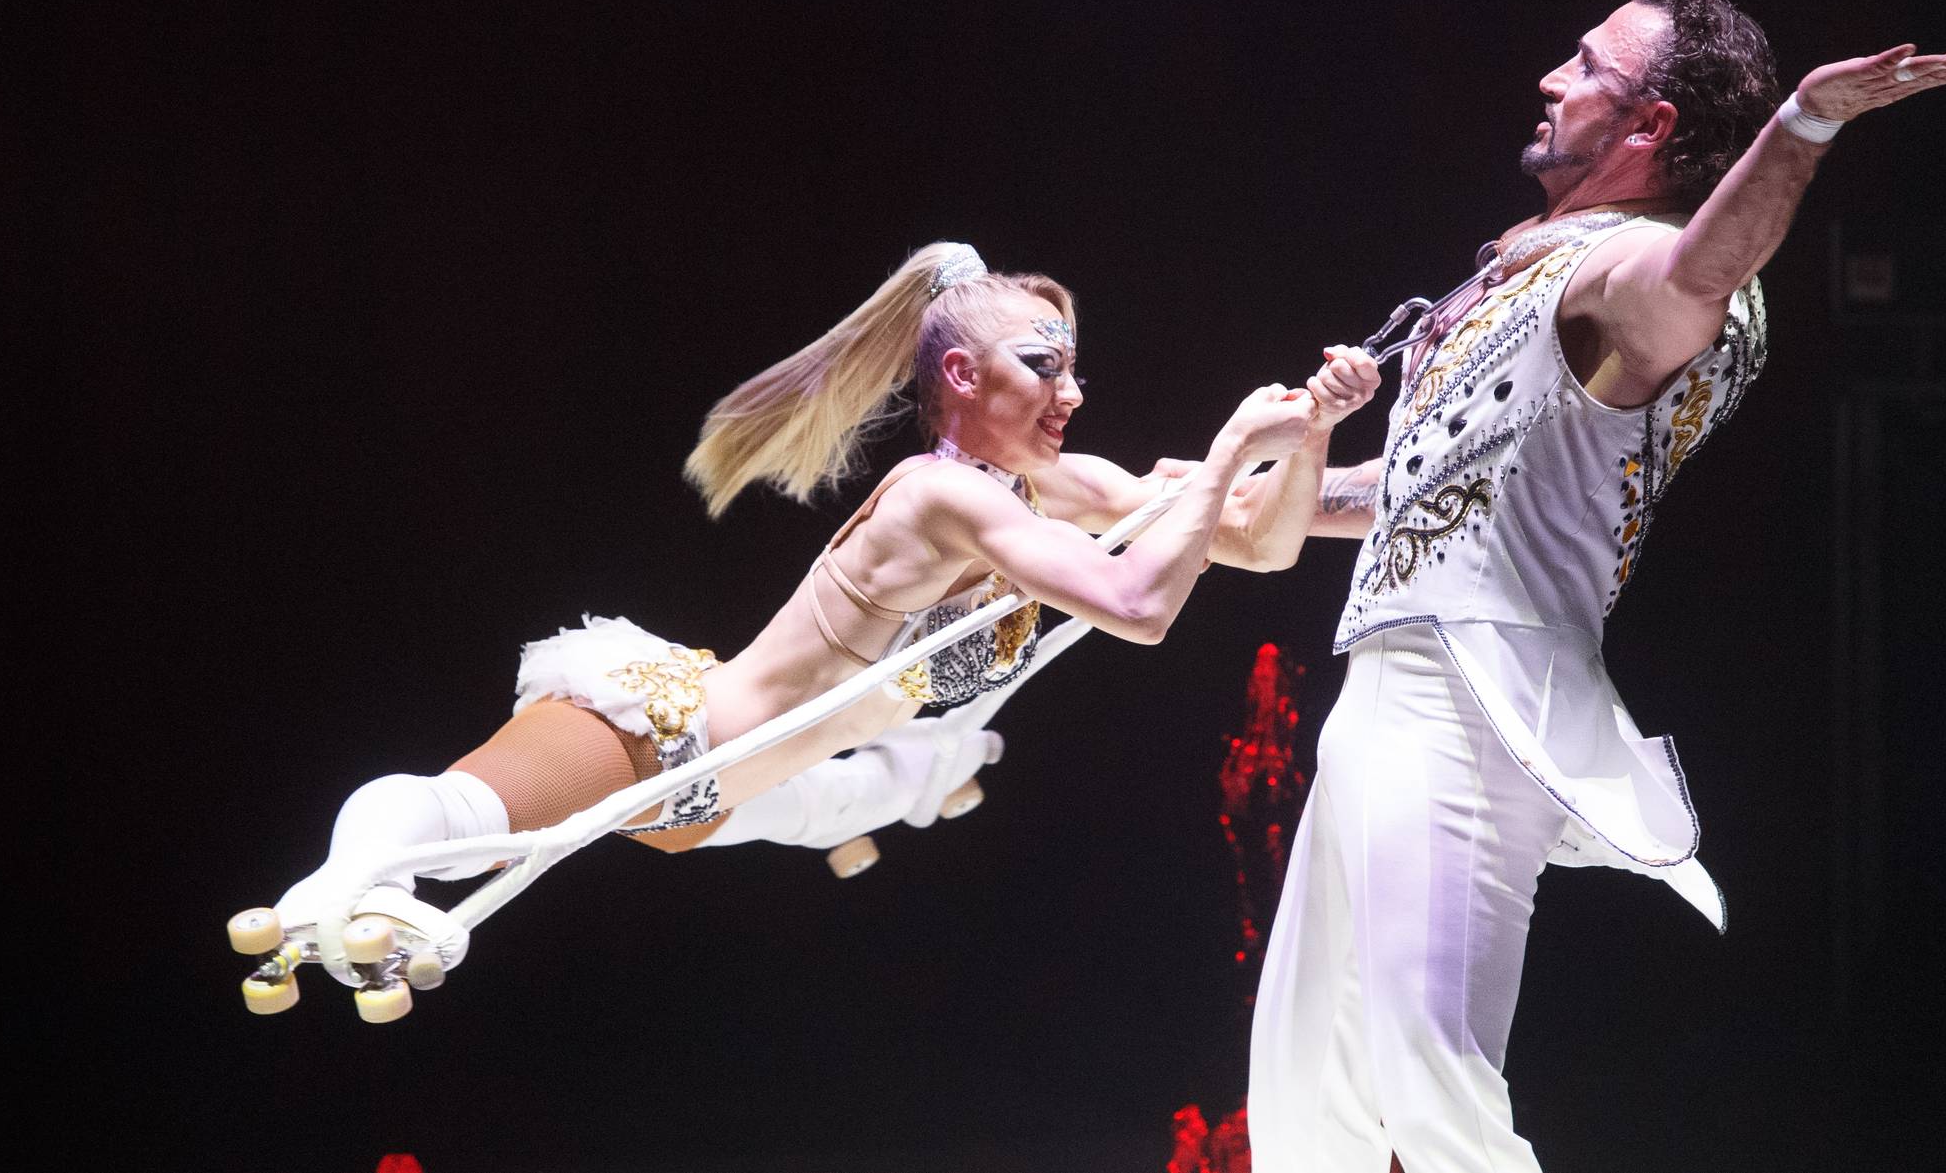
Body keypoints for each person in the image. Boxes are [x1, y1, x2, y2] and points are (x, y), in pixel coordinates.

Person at [1231, 0, 1946, 1170]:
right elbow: (1433, 483)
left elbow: (1696, 279)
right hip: (1391, 677)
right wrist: (1201, 497)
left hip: (1472, 694)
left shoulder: (1628, 266)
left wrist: (1805, 122)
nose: (1551, 78)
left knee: (1431, 1082)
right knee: (1303, 1101)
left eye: (1587, 66)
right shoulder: (1531, 265)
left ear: (1650, 125)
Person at [241, 241, 1384, 1006]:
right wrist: (1232, 447)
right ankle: (331, 889)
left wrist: (1323, 432)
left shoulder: (1053, 487)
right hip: (673, 735)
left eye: (1073, 367)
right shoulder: (940, 495)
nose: (1071, 392)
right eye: (1043, 366)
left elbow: (1258, 540)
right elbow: (1140, 603)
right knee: (465, 811)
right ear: (961, 373)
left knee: (866, 787)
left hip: (741, 796)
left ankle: (920, 784)